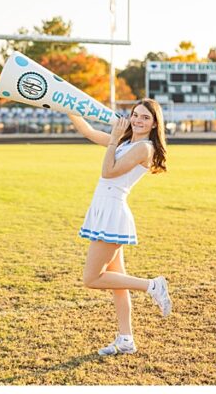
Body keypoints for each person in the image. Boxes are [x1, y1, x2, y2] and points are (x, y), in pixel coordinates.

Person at [69, 99, 173, 356]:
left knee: (92, 278)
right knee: (118, 284)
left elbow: (108, 171)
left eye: (145, 118)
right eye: (135, 115)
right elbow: (90, 133)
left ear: (154, 123)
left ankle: (153, 285)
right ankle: (126, 339)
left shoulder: (144, 149)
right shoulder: (127, 142)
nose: (138, 120)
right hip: (105, 211)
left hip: (113, 213)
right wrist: (68, 108)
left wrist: (115, 137)